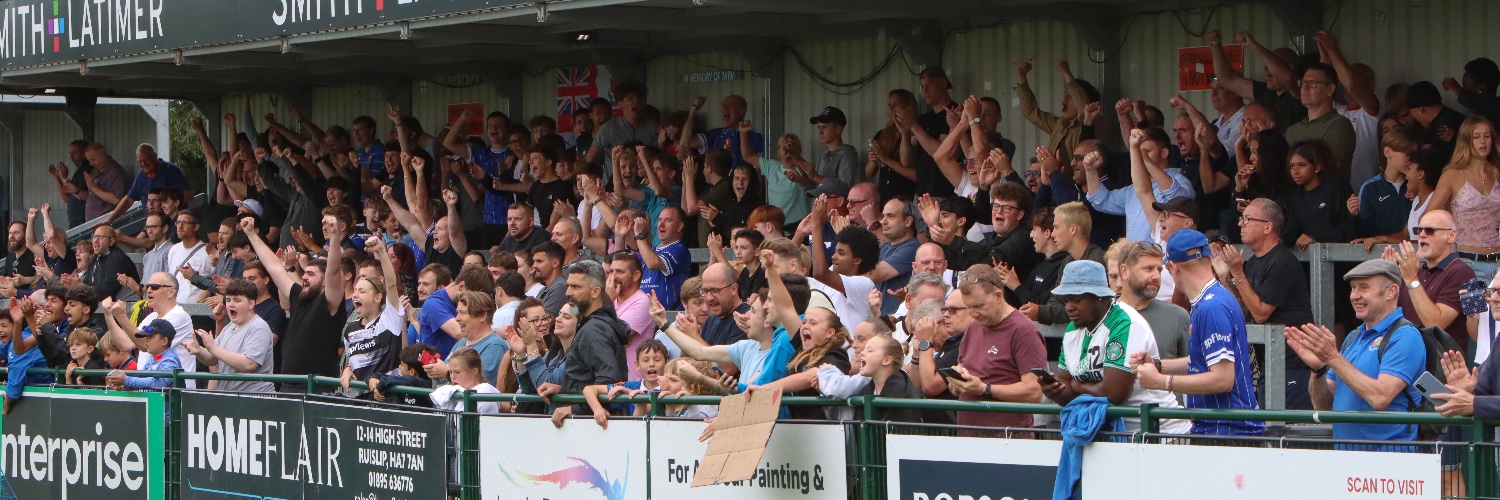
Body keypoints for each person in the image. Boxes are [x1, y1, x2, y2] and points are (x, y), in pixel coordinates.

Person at [1286, 259, 1426, 448]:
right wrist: (1318, 368)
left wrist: (1332, 358)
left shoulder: (1405, 336)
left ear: (1391, 292)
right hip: (1348, 462)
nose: (1354, 296)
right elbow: (1323, 406)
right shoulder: (1353, 337)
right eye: (1353, 288)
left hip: (1389, 464)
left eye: (1364, 288)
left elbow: (1380, 398)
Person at [1134, 230, 1263, 435]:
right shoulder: (1212, 300)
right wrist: (1158, 365)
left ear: (1173, 267)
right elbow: (1202, 362)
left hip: (1226, 430)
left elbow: (1222, 379)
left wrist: (1162, 382)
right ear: (1209, 258)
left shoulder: (1211, 307)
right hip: (1223, 428)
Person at [1041, 260, 1190, 433]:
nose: (1069, 308)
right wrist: (1055, 392)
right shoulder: (1072, 330)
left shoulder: (1125, 322)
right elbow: (1065, 383)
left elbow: (1113, 394)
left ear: (1099, 296)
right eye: (1066, 301)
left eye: (1076, 300)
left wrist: (1078, 386)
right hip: (1114, 435)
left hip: (1160, 433)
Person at [1217, 198, 1316, 409]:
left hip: (1293, 364)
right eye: (1241, 218)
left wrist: (1236, 271)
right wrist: (1226, 277)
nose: (1240, 224)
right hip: (1270, 364)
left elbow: (1261, 313)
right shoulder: (1253, 262)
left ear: (1268, 227)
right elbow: (1244, 312)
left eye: (1247, 219)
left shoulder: (1282, 261)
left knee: (1288, 434)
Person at [241, 216, 347, 392]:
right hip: (287, 386)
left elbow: (334, 271)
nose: (304, 276)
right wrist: (251, 234)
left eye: (311, 274)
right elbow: (274, 267)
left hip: (316, 389)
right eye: (305, 273)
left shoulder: (330, 302)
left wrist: (335, 236)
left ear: (324, 282)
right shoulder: (299, 296)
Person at [943, 265, 1047, 430]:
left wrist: (985, 389)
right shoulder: (972, 328)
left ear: (998, 296)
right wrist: (957, 382)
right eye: (969, 307)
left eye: (979, 306)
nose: (973, 314)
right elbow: (959, 380)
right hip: (969, 436)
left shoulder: (1024, 330)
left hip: (1008, 440)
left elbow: (1034, 392)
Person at [1388, 210, 1476, 354]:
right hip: (1405, 359)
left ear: (1451, 236)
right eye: (1419, 230)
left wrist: (1411, 279)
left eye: (1430, 230)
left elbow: (1435, 323)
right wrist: (1388, 281)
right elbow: (1389, 317)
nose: (1422, 235)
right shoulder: (1414, 272)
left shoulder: (1462, 272)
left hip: (1439, 367)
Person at [553, 260, 630, 421]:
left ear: (595, 292)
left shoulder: (593, 330)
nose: (568, 292)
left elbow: (609, 382)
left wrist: (574, 408)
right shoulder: (596, 325)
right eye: (568, 286)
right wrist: (562, 389)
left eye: (576, 287)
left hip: (590, 426)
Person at [1427, 116, 1500, 284]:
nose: (1483, 141)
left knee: (1496, 310)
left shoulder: (1496, 171)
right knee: (1472, 311)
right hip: (1468, 263)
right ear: (1466, 140)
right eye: (1476, 137)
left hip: (1498, 262)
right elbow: (1429, 216)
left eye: (1487, 136)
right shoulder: (1452, 174)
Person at [182, 279, 275, 393]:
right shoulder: (229, 327)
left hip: (255, 399)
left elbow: (249, 364)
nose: (231, 304)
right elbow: (213, 359)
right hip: (231, 398)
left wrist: (213, 348)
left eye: (237, 300)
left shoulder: (258, 327)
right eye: (228, 300)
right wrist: (199, 351)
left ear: (251, 304)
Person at [1109, 240, 1189, 360]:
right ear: (1125, 271)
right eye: (1148, 269)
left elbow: (1194, 369)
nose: (1156, 276)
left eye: (1159, 270)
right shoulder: (1104, 316)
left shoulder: (1178, 317)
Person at [1283, 62, 1358, 181]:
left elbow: (1328, 169)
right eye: (1302, 83)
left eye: (1312, 83)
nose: (1304, 87)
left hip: (1326, 197)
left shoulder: (1339, 125)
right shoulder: (1292, 130)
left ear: (1330, 89)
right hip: (1295, 197)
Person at [1016, 58, 1098, 156]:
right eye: (1065, 93)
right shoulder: (1060, 124)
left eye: (1071, 95)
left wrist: (1066, 72)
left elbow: (1084, 108)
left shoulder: (1096, 124)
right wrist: (1022, 76)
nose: (1065, 98)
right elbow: (1030, 112)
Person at [1282, 140, 1355, 248]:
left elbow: (1349, 226)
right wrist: (1277, 240)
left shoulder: (1336, 186)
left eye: (1302, 165)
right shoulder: (1296, 195)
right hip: (1311, 260)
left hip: (1342, 257)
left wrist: (1317, 239)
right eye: (1292, 166)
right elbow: (1293, 229)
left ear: (1317, 167)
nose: (1295, 171)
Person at [103, 143, 193, 224]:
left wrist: (166, 204)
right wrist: (109, 219)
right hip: (152, 225)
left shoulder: (171, 170)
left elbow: (189, 194)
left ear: (154, 156)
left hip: (173, 223)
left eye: (146, 160)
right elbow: (128, 200)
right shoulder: (142, 175)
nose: (143, 164)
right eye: (140, 161)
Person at [605, 252, 653, 378]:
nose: (613, 276)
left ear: (636, 275)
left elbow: (620, 339)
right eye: (611, 271)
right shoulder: (612, 299)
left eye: (620, 272)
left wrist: (607, 301)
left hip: (632, 381)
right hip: (611, 377)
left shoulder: (642, 301)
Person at [632, 207, 690, 310]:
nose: (661, 224)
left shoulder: (680, 249)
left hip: (667, 317)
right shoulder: (651, 251)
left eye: (667, 220)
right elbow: (627, 264)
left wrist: (639, 235)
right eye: (659, 220)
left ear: (679, 226)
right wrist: (619, 235)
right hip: (645, 314)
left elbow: (653, 263)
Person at [104, 318, 180, 391]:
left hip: (165, 404)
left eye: (150, 336)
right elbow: (142, 379)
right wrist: (124, 385)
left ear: (164, 341)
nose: (146, 339)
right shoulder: (152, 358)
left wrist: (126, 381)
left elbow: (159, 384)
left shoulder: (170, 360)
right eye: (146, 336)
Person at [168, 211, 212, 303]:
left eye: (185, 223)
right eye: (178, 222)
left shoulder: (207, 251)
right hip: (176, 308)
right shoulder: (173, 250)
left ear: (196, 227)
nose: (180, 227)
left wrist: (208, 291)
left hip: (198, 310)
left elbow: (217, 279)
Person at [530, 242, 568, 315]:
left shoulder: (560, 287)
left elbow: (545, 323)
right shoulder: (544, 289)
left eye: (539, 261)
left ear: (555, 263)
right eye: (534, 261)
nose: (534, 265)